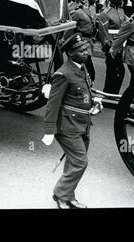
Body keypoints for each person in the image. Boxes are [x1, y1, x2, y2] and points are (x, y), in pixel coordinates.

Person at [42, 33, 102, 209]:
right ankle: (60, 194)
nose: (86, 52)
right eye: (81, 50)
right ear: (70, 52)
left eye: (86, 48)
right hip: (67, 127)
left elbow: (84, 93)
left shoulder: (82, 68)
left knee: (72, 161)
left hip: (83, 124)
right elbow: (53, 104)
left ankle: (69, 196)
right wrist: (49, 130)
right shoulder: (63, 73)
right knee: (80, 162)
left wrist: (94, 104)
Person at [97, 0, 127, 94]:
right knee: (113, 71)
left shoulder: (121, 11)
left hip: (120, 46)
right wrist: (107, 46)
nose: (122, 0)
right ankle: (108, 93)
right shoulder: (105, 13)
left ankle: (113, 93)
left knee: (119, 71)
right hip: (111, 46)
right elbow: (103, 33)